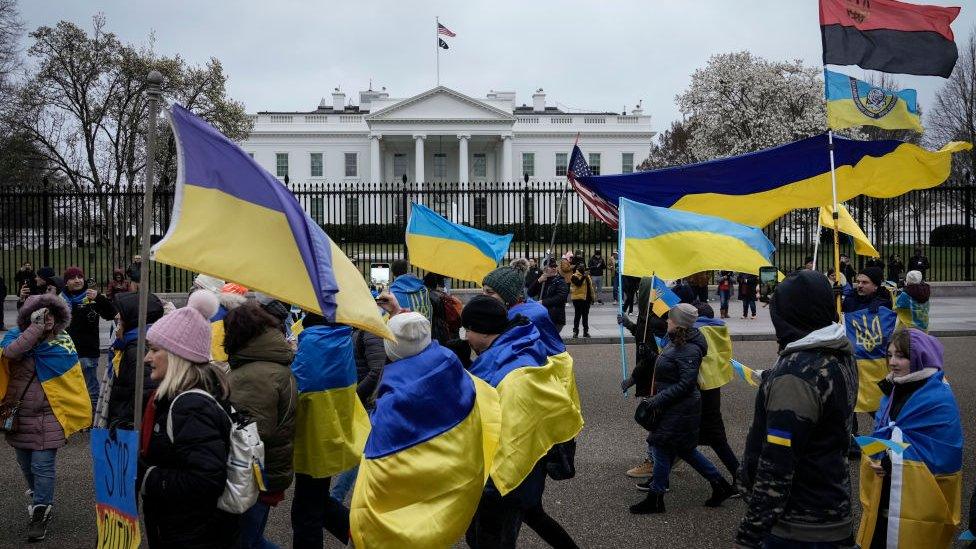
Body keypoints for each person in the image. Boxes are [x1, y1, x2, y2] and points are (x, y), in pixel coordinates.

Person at [350, 312, 501, 547]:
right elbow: (413, 337)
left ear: (390, 348)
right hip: (450, 480)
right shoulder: (450, 365)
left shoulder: (393, 402)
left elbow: (382, 473)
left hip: (409, 501)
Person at [736, 271, 857, 548]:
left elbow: (777, 465)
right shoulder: (839, 352)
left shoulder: (795, 375)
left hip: (798, 526)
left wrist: (749, 535)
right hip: (832, 507)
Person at [461, 296, 582, 549]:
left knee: (486, 539)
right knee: (532, 514)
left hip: (506, 482)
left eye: (468, 330)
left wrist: (490, 491)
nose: (465, 337)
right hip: (528, 471)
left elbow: (510, 445)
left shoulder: (511, 376)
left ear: (483, 330)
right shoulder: (518, 346)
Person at [139, 290, 241, 547]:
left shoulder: (190, 407)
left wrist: (149, 476)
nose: (147, 358)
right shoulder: (182, 399)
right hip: (187, 527)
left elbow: (206, 480)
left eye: (153, 350)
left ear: (176, 356)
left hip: (192, 533)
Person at [856, 328, 962, 549]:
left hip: (919, 498)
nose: (892, 362)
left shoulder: (938, 398)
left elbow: (944, 454)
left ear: (920, 358)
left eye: (901, 356)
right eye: (890, 355)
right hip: (886, 488)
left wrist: (891, 458)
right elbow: (885, 433)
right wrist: (877, 457)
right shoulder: (894, 387)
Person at [628, 303, 735, 514]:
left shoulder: (690, 347)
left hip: (679, 408)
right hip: (675, 406)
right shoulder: (677, 340)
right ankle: (719, 484)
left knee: (660, 446)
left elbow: (686, 384)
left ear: (678, 323)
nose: (667, 321)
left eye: (670, 318)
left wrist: (656, 400)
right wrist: (650, 355)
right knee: (684, 450)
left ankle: (656, 498)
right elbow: (669, 364)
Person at [2, 294, 82, 542]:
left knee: (42, 465)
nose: (47, 320)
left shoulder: (62, 341)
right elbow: (11, 354)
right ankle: (39, 496)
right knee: (26, 465)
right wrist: (34, 330)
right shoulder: (16, 336)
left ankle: (40, 512)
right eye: (41, 315)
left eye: (50, 315)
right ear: (29, 316)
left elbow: (72, 379)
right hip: (20, 415)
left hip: (50, 414)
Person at [223, 302, 298, 549]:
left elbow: (255, 431)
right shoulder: (267, 364)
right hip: (267, 469)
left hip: (253, 474)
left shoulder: (254, 374)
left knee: (245, 542)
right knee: (252, 539)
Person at [289, 312, 363, 548]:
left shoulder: (312, 343)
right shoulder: (341, 339)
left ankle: (367, 537)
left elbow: (297, 388)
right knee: (315, 502)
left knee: (306, 513)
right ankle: (364, 536)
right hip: (332, 432)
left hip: (312, 438)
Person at [618, 277, 668, 478]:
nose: (638, 293)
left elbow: (648, 356)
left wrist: (632, 379)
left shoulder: (655, 318)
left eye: (641, 289)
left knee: (653, 419)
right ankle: (665, 456)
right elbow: (641, 335)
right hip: (651, 374)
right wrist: (628, 323)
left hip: (654, 376)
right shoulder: (648, 314)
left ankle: (653, 460)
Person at [61, 267, 116, 418]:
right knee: (71, 387)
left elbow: (112, 314)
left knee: (91, 387)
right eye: (73, 277)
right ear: (66, 282)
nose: (78, 280)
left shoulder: (92, 297)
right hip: (66, 351)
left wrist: (99, 298)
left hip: (88, 351)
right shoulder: (60, 299)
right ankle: (76, 417)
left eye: (80, 276)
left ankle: (95, 418)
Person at [105, 291, 165, 429]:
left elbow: (147, 392)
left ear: (132, 320)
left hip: (130, 425)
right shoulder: (131, 344)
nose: (117, 319)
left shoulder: (137, 349)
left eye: (120, 318)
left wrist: (123, 420)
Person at [527, 259, 569, 335]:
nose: (554, 268)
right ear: (545, 268)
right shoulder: (543, 280)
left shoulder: (560, 281)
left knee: (550, 341)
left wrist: (543, 302)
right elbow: (530, 293)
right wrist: (538, 281)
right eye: (551, 266)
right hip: (543, 316)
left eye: (555, 266)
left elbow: (561, 297)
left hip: (555, 318)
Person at [423, 272, 459, 343]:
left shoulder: (423, 296)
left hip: (430, 331)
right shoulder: (442, 297)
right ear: (436, 284)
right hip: (441, 332)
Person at [569, 263, 596, 338]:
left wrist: (592, 298)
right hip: (578, 299)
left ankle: (586, 332)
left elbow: (591, 288)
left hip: (586, 299)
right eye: (582, 268)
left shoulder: (587, 277)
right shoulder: (574, 276)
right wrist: (584, 276)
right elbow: (578, 284)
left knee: (585, 316)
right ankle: (575, 332)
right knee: (577, 316)